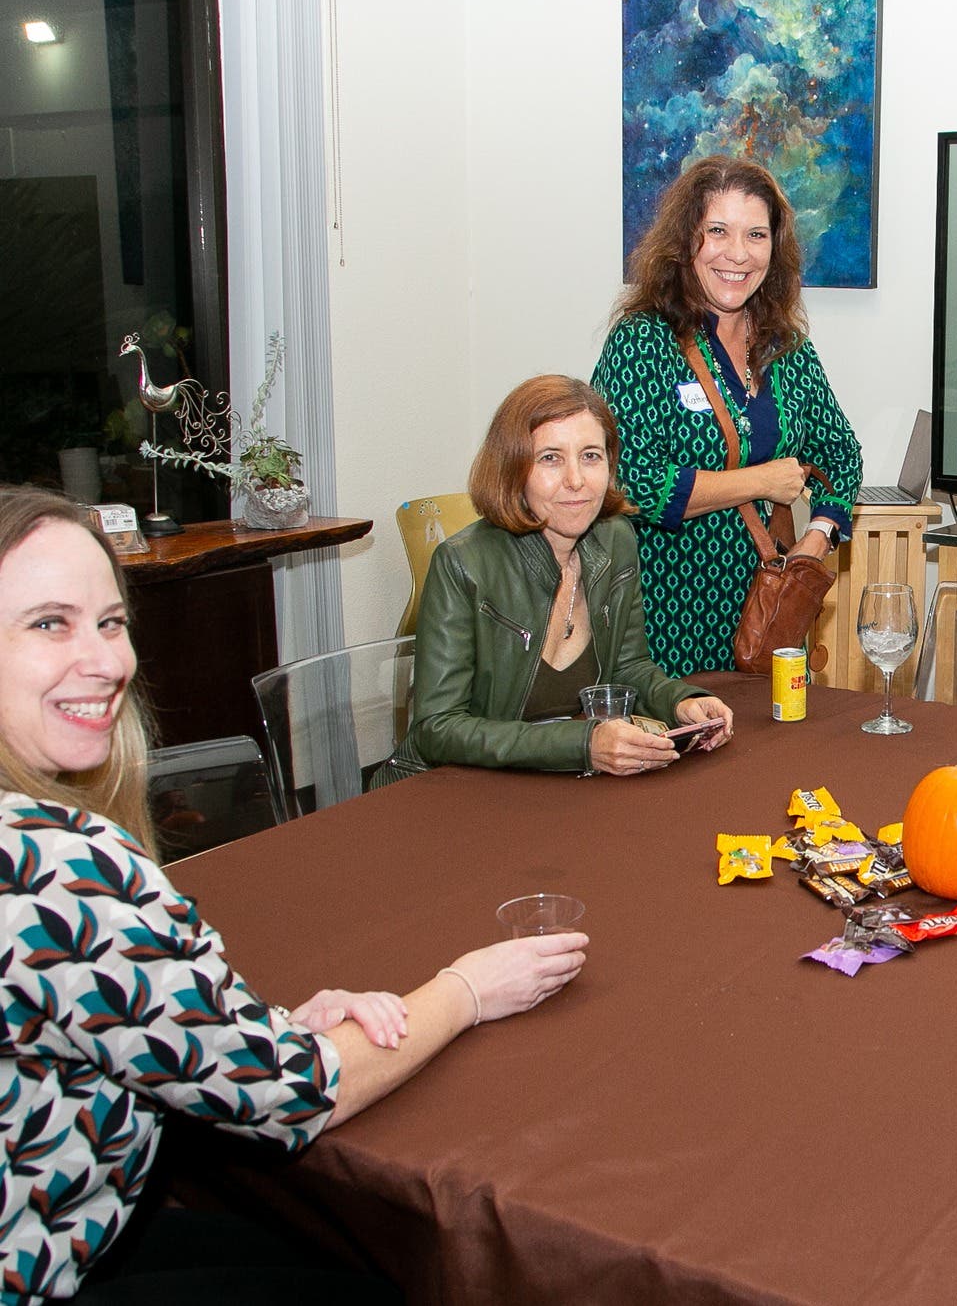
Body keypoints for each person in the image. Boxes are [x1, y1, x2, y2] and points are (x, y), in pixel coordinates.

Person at [0, 485, 588, 1301]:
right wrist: (466, 988)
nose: (107, 660)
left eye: (110, 622)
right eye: (47, 623)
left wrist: (247, 1030)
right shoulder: (58, 866)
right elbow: (301, 1091)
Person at [383, 376, 733, 782]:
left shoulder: (616, 538)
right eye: (550, 458)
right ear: (513, 468)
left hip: (552, 784)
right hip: (453, 789)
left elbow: (628, 666)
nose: (576, 480)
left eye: (590, 456)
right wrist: (583, 744)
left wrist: (681, 702)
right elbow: (436, 729)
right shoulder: (463, 562)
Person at [593, 156, 863, 677]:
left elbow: (842, 455)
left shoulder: (788, 348)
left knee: (778, 755)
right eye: (717, 231)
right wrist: (758, 480)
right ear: (685, 239)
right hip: (667, 622)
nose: (737, 254)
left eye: (756, 235)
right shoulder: (643, 342)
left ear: (774, 249)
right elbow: (631, 482)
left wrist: (817, 537)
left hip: (770, 621)